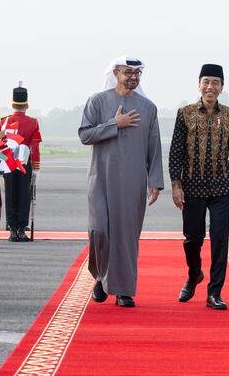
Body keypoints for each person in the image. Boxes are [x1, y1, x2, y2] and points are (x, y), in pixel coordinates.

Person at [78, 57, 164, 308]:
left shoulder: (148, 108)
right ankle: (100, 277)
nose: (133, 77)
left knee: (126, 236)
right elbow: (85, 134)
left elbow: (154, 146)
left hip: (132, 181)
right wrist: (115, 124)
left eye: (137, 73)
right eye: (128, 72)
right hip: (100, 179)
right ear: (115, 72)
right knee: (99, 231)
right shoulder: (97, 101)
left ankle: (124, 290)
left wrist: (155, 181)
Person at [170, 64, 229, 311]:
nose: (210, 87)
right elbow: (175, 153)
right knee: (192, 239)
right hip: (192, 186)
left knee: (220, 239)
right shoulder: (185, 113)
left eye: (216, 82)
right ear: (199, 84)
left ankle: (215, 293)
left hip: (222, 186)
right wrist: (176, 186)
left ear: (222, 88)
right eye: (206, 82)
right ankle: (194, 275)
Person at [0, 83, 41, 243]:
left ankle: (13, 229)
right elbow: (35, 148)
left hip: (8, 162)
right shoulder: (33, 122)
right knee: (24, 195)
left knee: (10, 195)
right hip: (24, 163)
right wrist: (36, 167)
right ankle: (22, 230)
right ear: (27, 105)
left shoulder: (4, 122)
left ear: (12, 104)